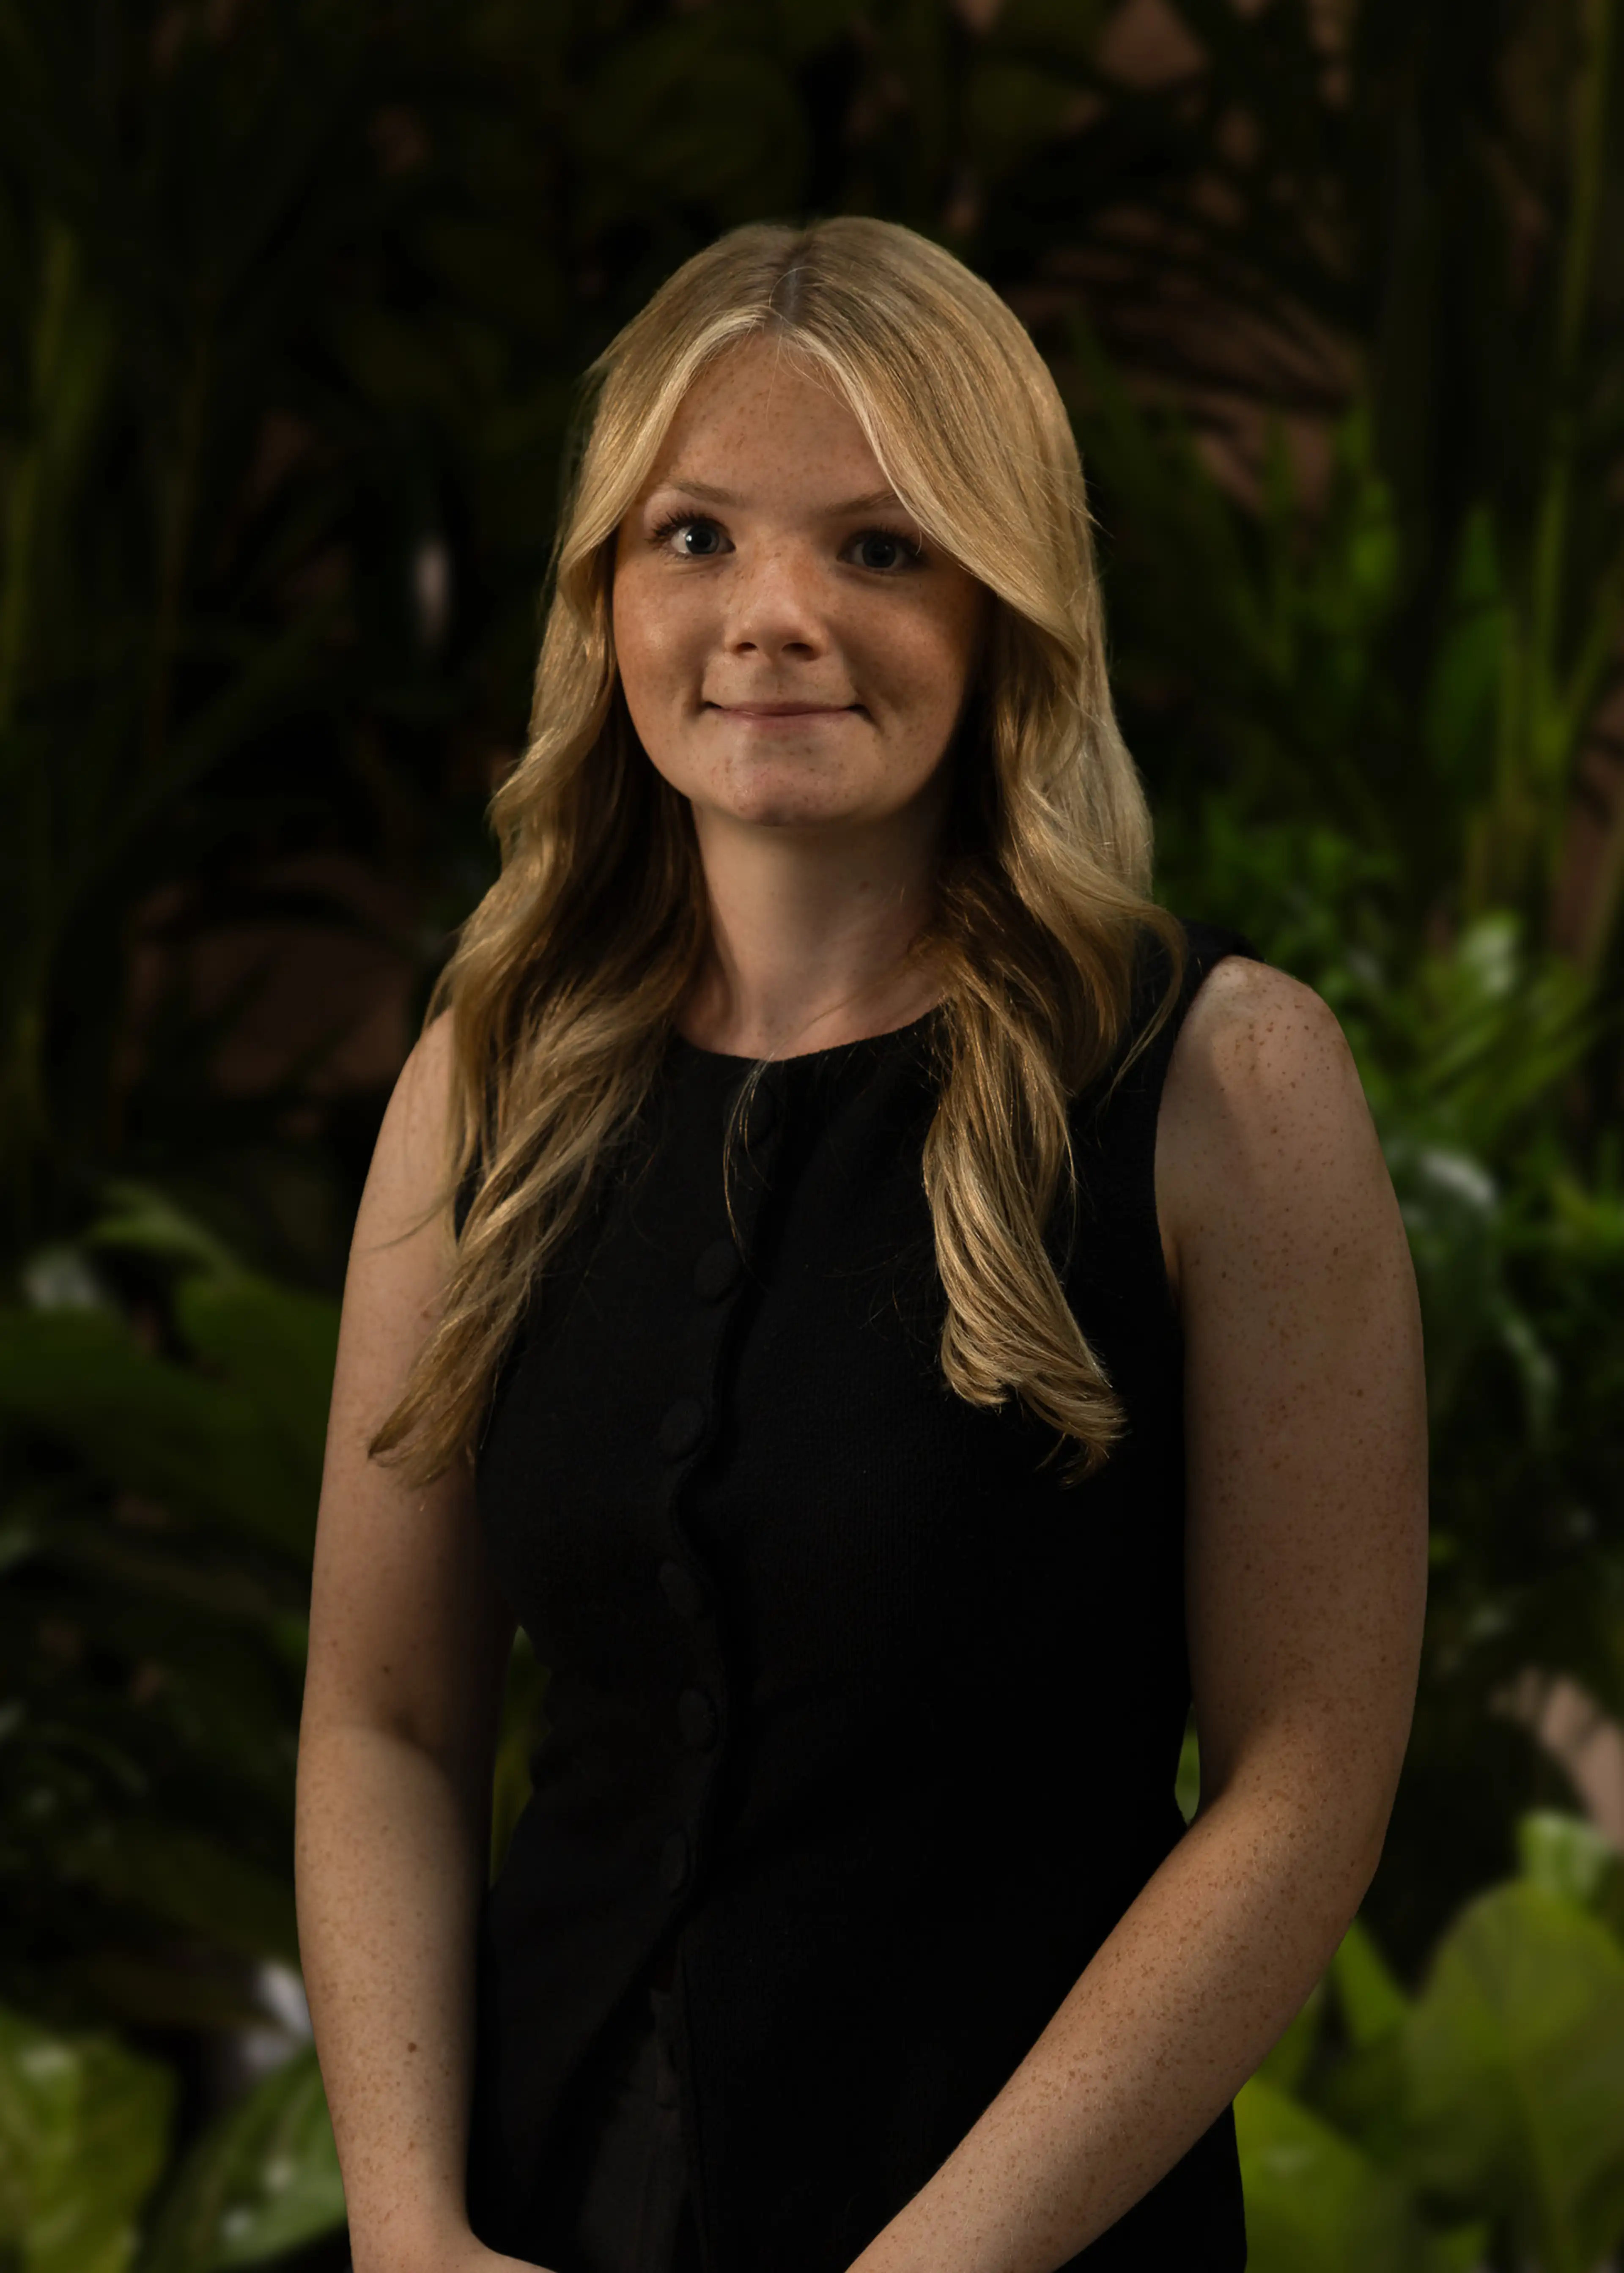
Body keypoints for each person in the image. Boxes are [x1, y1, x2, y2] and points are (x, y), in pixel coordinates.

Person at [294, 217, 1428, 2273]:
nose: (775, 617)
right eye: (696, 536)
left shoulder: (1225, 1082)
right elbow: (383, 1718)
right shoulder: (487, 1077)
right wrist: (407, 2229)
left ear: (1007, 600)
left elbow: (1306, 1783)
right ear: (606, 595)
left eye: (882, 548)